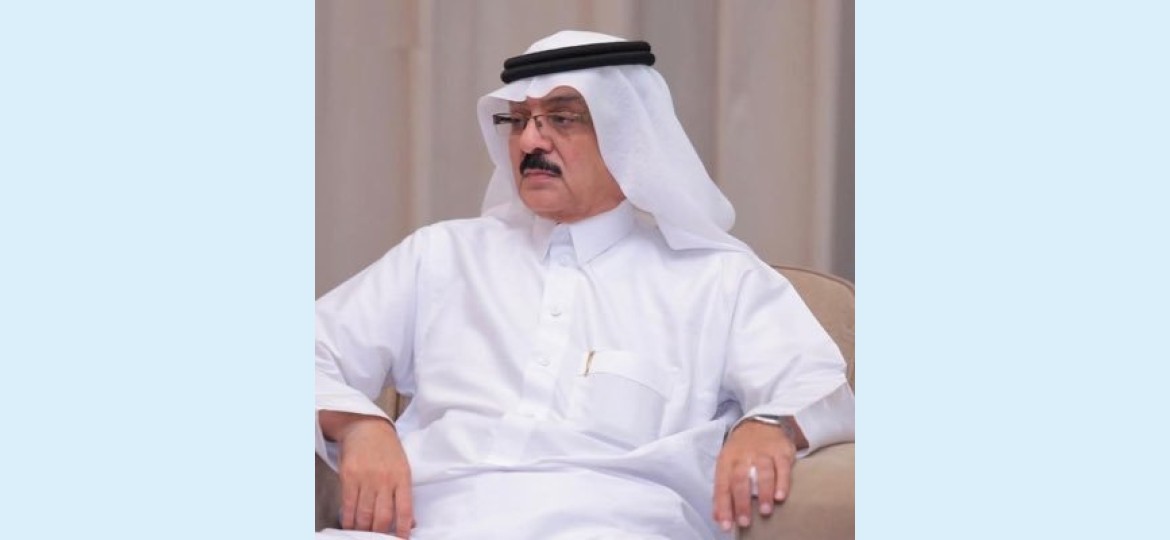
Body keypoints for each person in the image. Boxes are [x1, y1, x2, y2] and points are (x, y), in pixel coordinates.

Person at [315, 30, 854, 540]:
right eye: (519, 120)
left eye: (562, 118)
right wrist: (360, 425)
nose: (530, 140)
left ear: (628, 135)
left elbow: (818, 385)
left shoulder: (717, 279)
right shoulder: (442, 256)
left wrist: (770, 426)